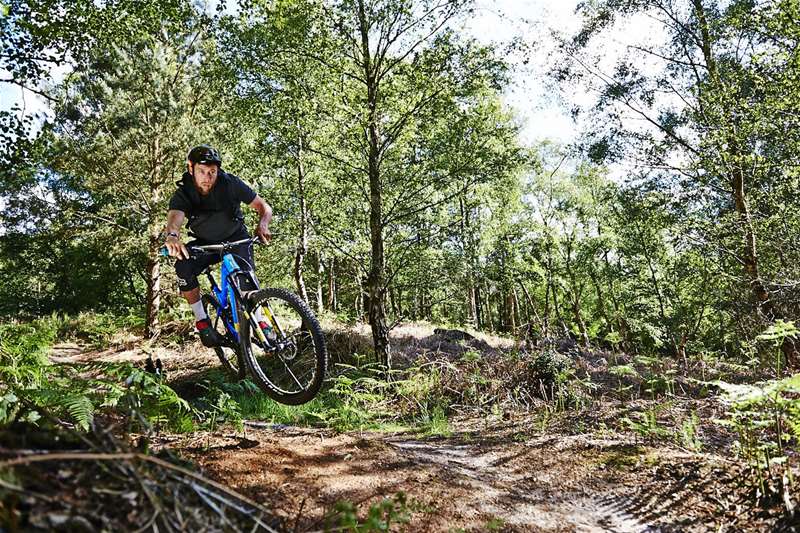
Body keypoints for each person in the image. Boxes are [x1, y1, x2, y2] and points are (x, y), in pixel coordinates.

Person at [164, 144, 272, 347]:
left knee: (246, 281)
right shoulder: (183, 193)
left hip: (236, 239)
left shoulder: (230, 183)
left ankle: (261, 320)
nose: (208, 177)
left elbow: (263, 207)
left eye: (212, 172)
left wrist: (263, 225)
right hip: (205, 245)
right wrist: (172, 236)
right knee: (182, 265)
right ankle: (201, 320)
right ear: (190, 168)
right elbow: (175, 218)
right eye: (202, 171)